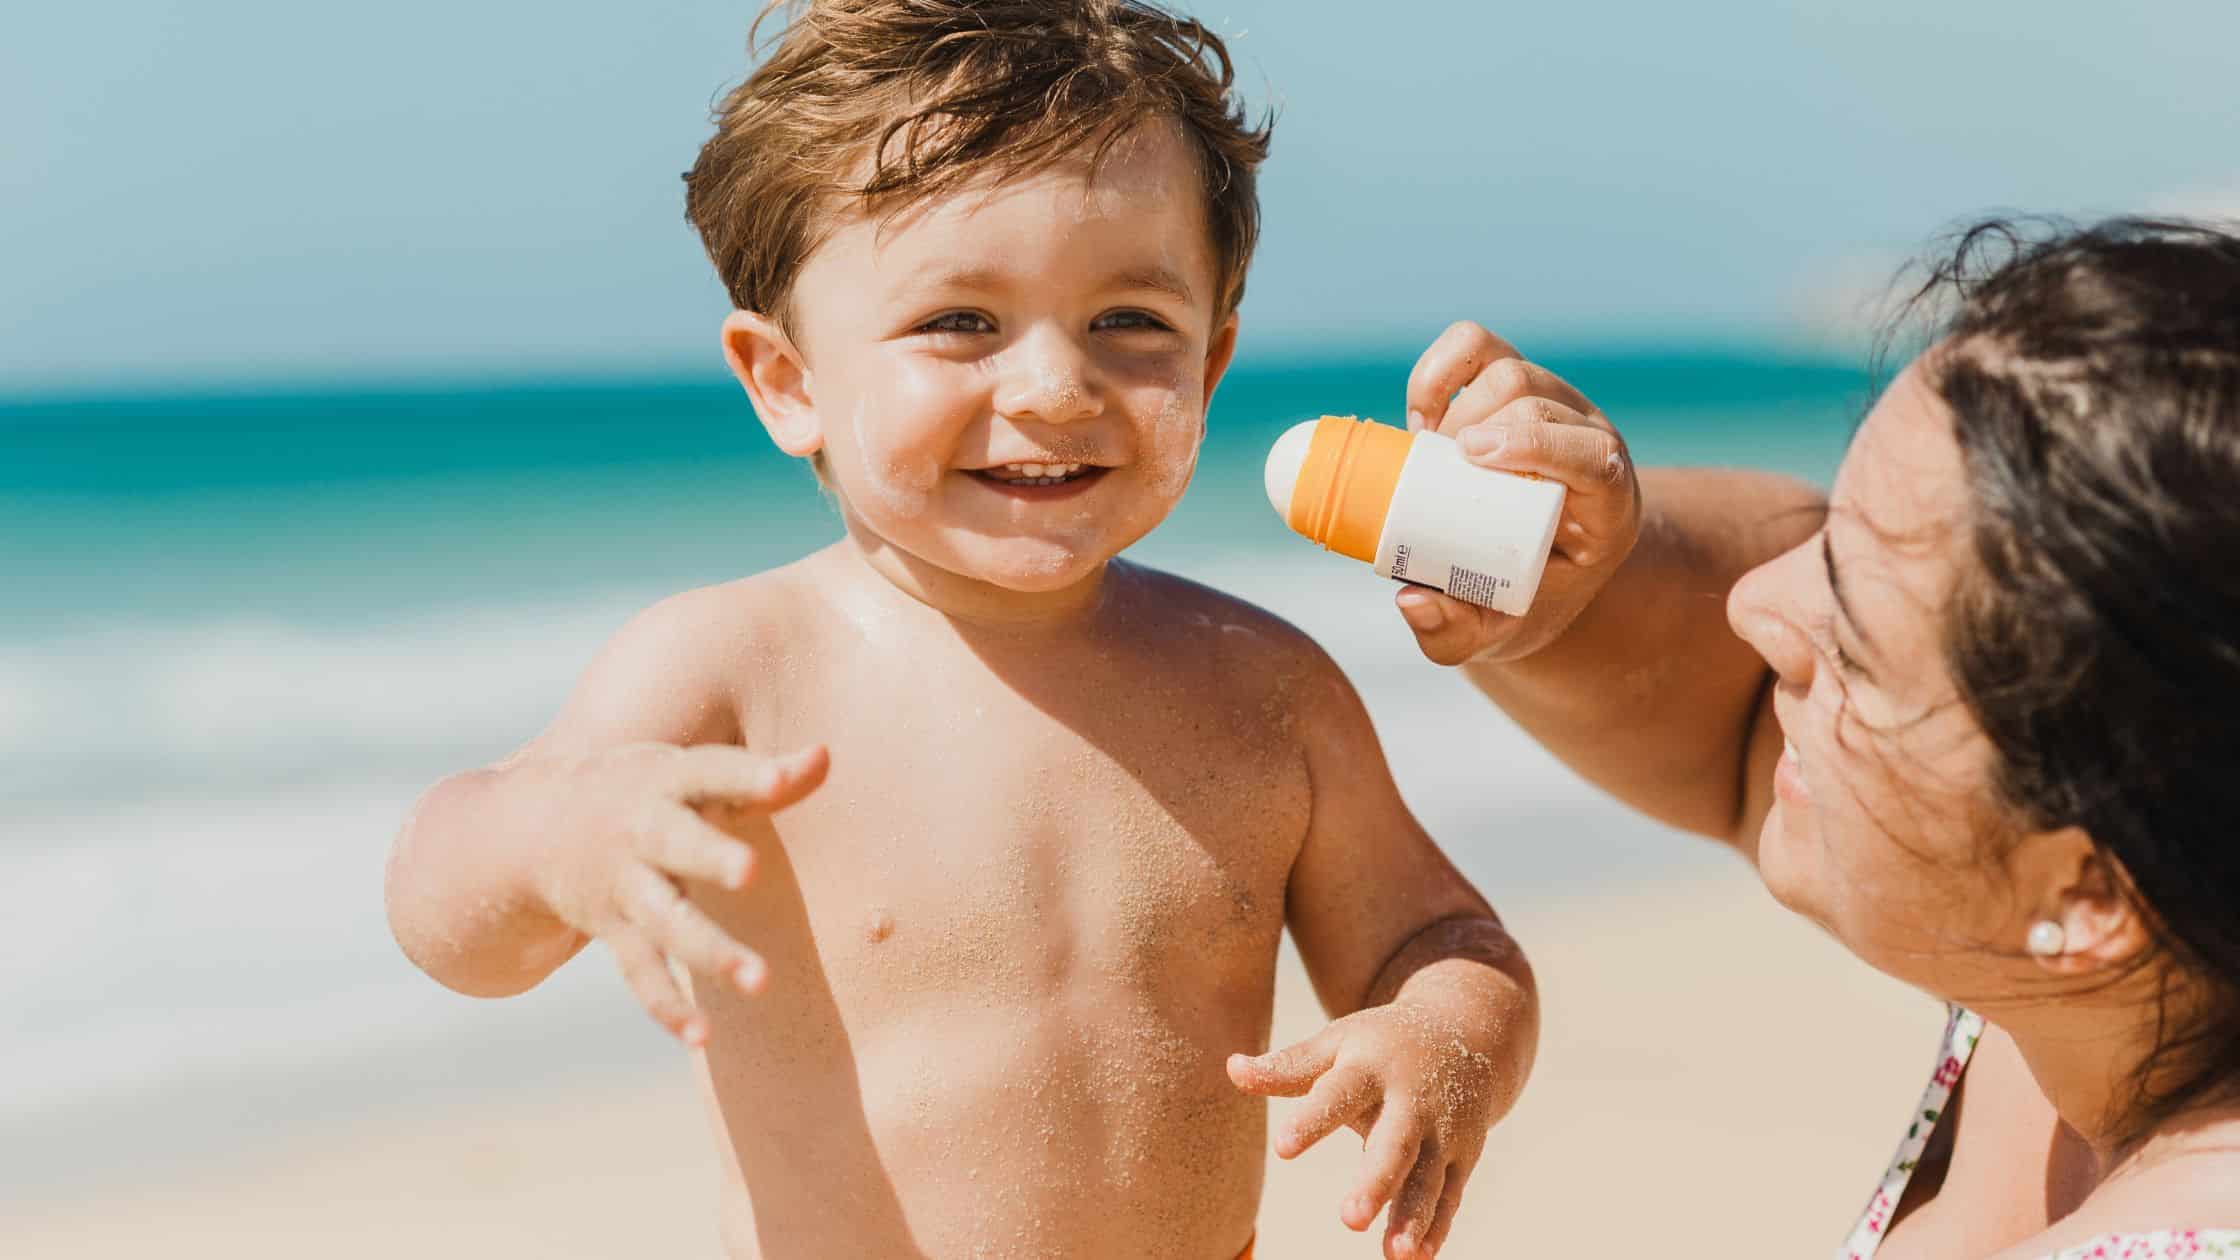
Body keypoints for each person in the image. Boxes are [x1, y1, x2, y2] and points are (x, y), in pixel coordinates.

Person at [382, 3, 1545, 1257]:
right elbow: (447, 916)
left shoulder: (1267, 690)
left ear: (1207, 366)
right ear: (788, 383)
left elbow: (1441, 939)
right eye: (958, 323)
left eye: (1128, 325)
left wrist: (1441, 1037)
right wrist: (557, 833)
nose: (1054, 387)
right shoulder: (739, 672)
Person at [1391, 217, 2240, 1258]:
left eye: (1854, 645)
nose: (1752, 604)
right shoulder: (2124, 979)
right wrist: (1577, 565)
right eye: (1841, 524)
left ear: (2090, 893)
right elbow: (1738, 718)